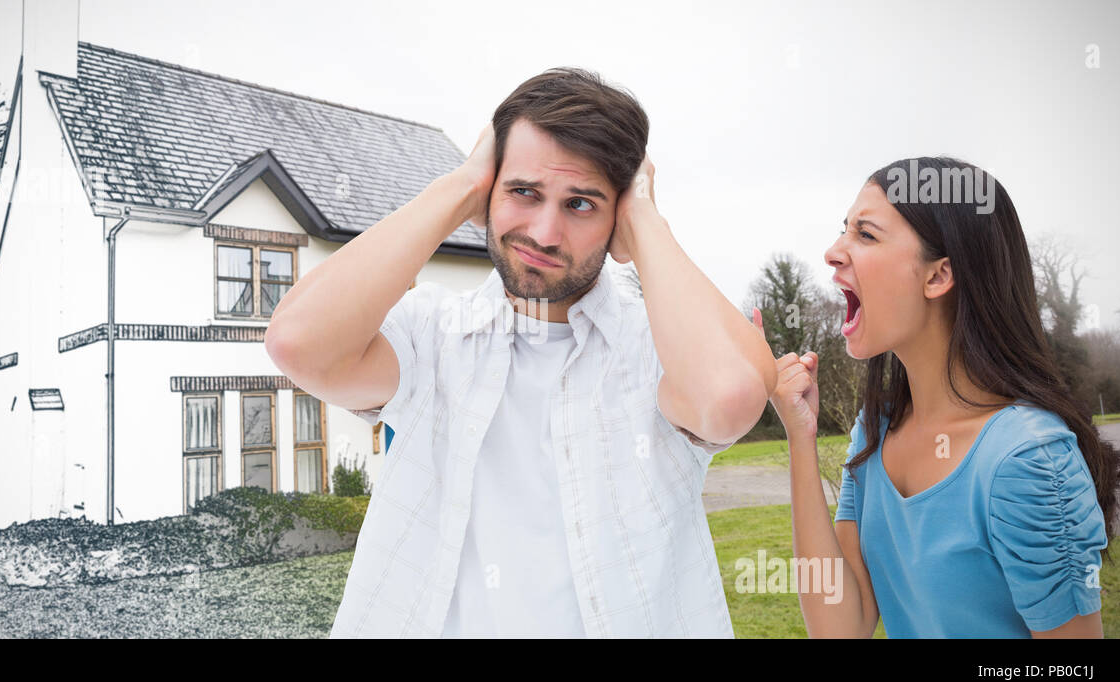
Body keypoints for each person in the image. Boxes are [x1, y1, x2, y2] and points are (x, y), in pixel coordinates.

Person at [265, 67, 777, 638]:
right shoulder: (432, 333)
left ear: (618, 217)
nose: (545, 232)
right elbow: (298, 343)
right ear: (490, 191)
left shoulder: (661, 347)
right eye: (523, 192)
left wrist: (646, 220)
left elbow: (727, 399)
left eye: (581, 204)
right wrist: (460, 184)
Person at [758, 156, 1120, 638]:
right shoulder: (875, 430)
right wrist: (800, 438)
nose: (833, 251)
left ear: (938, 276)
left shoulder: (1028, 459)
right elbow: (840, 630)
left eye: (865, 234)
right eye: (843, 230)